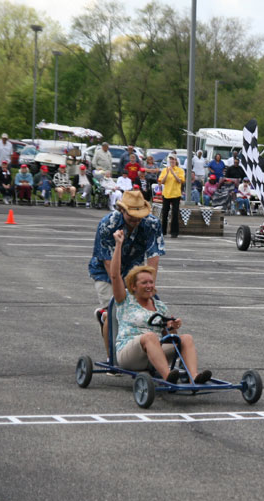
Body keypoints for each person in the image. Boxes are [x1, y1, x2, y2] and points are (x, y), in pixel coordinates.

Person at [109, 228, 211, 384]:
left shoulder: (160, 306)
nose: (149, 285)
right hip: (129, 353)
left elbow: (171, 337)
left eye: (151, 282)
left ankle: (194, 376)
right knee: (149, 337)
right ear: (133, 286)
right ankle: (167, 376)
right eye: (144, 282)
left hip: (156, 352)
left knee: (186, 338)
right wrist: (118, 244)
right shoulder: (125, 300)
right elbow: (115, 275)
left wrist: (172, 326)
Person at [89, 190, 165, 351]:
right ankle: (113, 357)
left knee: (141, 309)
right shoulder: (108, 224)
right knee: (115, 312)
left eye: (140, 215)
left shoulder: (152, 224)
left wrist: (148, 285)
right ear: (122, 210)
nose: (136, 220)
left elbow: (153, 257)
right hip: (105, 271)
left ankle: (142, 351)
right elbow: (109, 264)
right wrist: (123, 291)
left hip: (133, 270)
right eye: (131, 215)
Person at [158, 154, 184, 238]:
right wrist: (167, 173)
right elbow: (162, 181)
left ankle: (174, 232)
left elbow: (180, 181)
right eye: (171, 160)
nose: (172, 161)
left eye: (173, 160)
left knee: (175, 213)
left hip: (176, 193)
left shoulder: (180, 170)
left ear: (176, 161)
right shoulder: (165, 170)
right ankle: (163, 231)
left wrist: (173, 173)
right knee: (165, 212)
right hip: (166, 193)